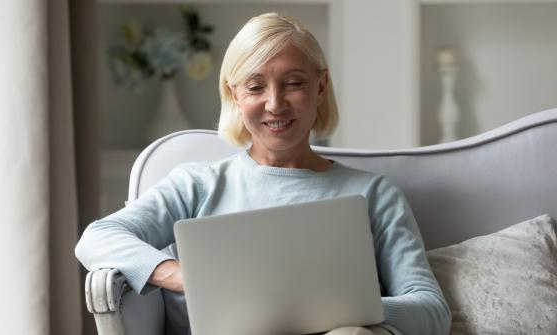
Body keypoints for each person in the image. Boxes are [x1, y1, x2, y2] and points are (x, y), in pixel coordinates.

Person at [76, 12, 451, 335]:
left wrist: (353, 312)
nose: (275, 103)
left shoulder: (374, 194)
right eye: (256, 87)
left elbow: (432, 310)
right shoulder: (199, 185)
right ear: (235, 95)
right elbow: (97, 238)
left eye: (294, 83)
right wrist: (183, 275)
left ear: (320, 87)